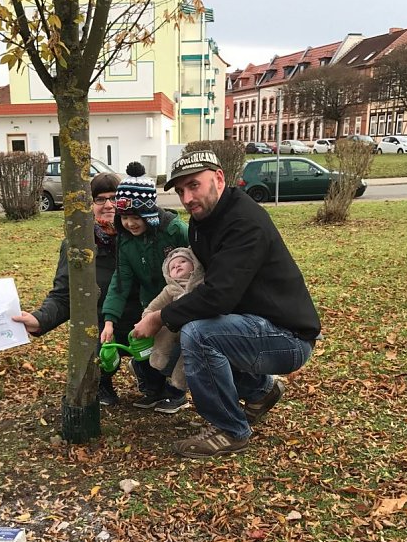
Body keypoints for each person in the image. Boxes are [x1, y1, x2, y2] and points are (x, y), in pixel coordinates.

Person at [132, 150, 321, 458]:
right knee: (194, 330)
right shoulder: (201, 222)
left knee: (199, 333)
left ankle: (229, 430)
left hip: (288, 337)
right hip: (251, 326)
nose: (187, 197)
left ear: (218, 178)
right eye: (180, 191)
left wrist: (160, 317)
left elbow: (219, 295)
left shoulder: (244, 222)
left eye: (194, 185)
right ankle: (261, 391)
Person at [12, 171, 143, 406]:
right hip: (102, 325)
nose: (108, 205)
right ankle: (102, 382)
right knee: (92, 340)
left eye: (114, 198)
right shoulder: (78, 245)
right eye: (100, 199)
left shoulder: (141, 236)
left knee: (157, 374)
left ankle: (148, 373)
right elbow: (64, 295)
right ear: (89, 205)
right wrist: (39, 319)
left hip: (141, 321)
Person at [100, 162, 191, 414]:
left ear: (149, 212)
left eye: (136, 216)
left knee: (177, 345)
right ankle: (153, 389)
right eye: (125, 217)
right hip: (150, 303)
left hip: (182, 301)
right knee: (144, 343)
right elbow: (120, 282)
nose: (130, 223)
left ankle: (176, 392)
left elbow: (200, 260)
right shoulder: (127, 243)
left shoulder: (175, 231)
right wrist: (109, 320)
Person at [141, 247, 204, 391]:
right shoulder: (170, 290)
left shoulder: (201, 286)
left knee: (188, 353)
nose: (177, 266)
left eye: (183, 261)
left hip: (195, 329)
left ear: (194, 265)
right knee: (164, 328)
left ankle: (180, 380)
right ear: (168, 274)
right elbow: (154, 306)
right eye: (173, 267)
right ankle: (159, 354)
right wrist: (148, 317)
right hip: (174, 325)